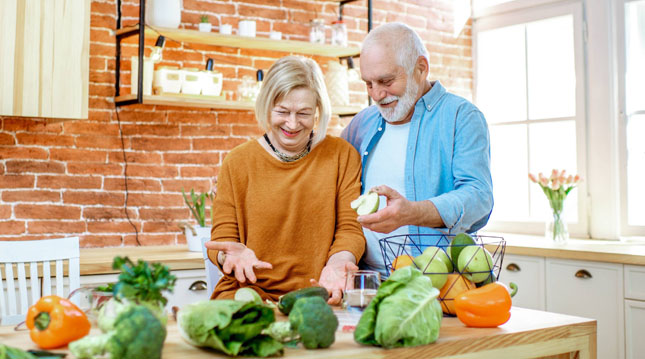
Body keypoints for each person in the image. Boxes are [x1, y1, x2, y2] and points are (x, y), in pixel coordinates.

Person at [205, 56, 365, 305]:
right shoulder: (237, 162)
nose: (292, 123)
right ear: (267, 105)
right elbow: (223, 238)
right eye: (282, 111)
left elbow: (350, 228)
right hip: (248, 295)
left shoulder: (342, 156)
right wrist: (229, 257)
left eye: (304, 113)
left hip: (320, 294)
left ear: (318, 111)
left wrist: (338, 264)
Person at [341, 22, 493, 277]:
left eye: (386, 80)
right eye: (368, 83)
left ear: (420, 68)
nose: (376, 94)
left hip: (437, 283)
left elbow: (478, 197)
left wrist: (413, 213)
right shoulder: (361, 123)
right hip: (366, 280)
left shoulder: (461, 117)